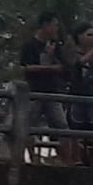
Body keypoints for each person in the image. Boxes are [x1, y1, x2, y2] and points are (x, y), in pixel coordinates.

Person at [19, 12, 69, 160]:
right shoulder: (29, 46)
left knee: (62, 127)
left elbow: (63, 68)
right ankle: (31, 157)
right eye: (54, 25)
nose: (56, 29)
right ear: (45, 25)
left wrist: (52, 56)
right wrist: (49, 67)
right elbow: (26, 68)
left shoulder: (56, 46)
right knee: (28, 127)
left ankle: (66, 161)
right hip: (34, 91)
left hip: (52, 92)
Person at [66, 23, 93, 165]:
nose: (92, 38)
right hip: (76, 94)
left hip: (92, 95)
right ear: (79, 36)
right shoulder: (72, 52)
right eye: (88, 35)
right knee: (74, 130)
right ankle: (75, 160)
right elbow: (79, 63)